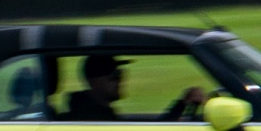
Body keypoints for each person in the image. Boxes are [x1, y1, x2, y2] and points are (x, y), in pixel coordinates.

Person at [62, 52, 210, 122]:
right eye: (114, 76)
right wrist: (180, 106)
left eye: (121, 74)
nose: (121, 80)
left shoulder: (98, 110)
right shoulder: (90, 117)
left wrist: (181, 105)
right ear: (94, 81)